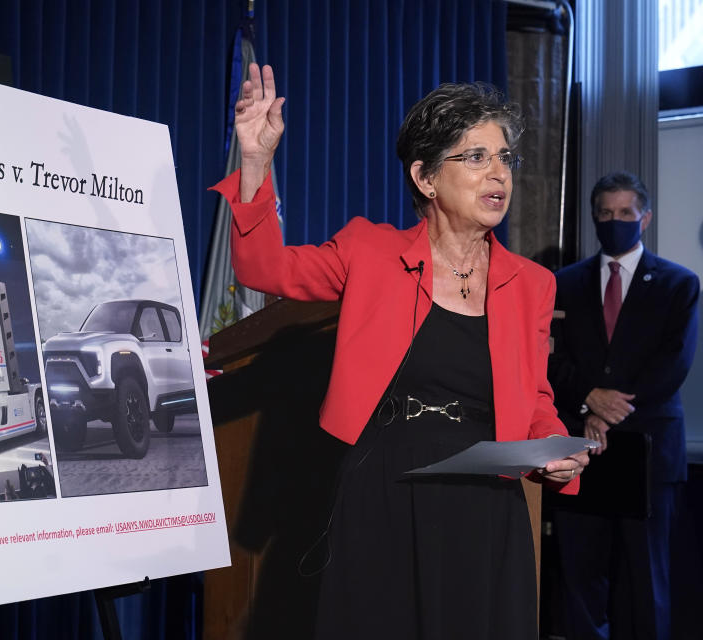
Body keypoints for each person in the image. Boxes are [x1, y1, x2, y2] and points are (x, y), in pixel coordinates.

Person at [211, 63, 589, 639]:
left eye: (505, 158)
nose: (499, 175)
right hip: (384, 486)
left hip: (485, 501)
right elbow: (262, 268)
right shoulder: (369, 250)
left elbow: (535, 395)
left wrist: (557, 449)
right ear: (426, 176)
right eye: (476, 157)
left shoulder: (532, 283)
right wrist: (256, 163)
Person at [548, 171, 700, 640]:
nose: (615, 221)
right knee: (579, 575)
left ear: (645, 218)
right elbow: (549, 359)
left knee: (645, 578)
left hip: (649, 453)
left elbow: (674, 362)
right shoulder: (561, 283)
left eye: (625, 214)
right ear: (595, 218)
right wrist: (587, 400)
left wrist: (609, 409)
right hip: (579, 447)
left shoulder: (679, 283)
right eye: (606, 214)